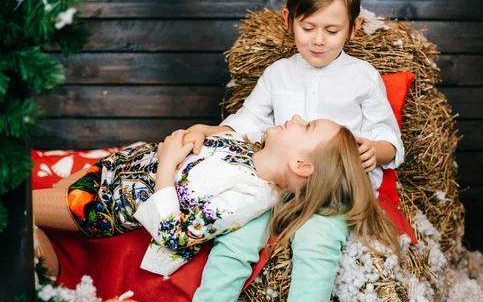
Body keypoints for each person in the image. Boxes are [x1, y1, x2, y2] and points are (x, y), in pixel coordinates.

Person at [171, 0, 405, 302]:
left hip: (332, 190)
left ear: (354, 27)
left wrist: (376, 150)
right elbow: (249, 120)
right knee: (236, 241)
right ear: (288, 21)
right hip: (281, 185)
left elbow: (391, 139)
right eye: (307, 27)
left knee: (317, 243)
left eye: (332, 31)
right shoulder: (278, 74)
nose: (318, 40)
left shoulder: (363, 77)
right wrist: (213, 131)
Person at [33, 116, 343, 278]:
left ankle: (46, 287)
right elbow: (219, 133)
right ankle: (48, 271)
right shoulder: (255, 147)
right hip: (119, 166)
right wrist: (199, 130)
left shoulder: (250, 195)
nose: (298, 116)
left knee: (20, 213)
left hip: (109, 202)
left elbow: (174, 234)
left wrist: (168, 162)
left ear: (301, 165)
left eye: (308, 126)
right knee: (39, 203)